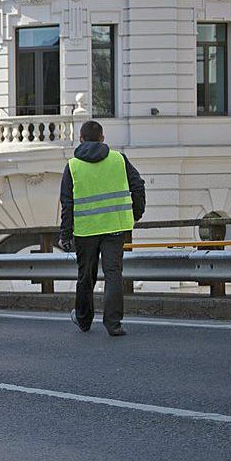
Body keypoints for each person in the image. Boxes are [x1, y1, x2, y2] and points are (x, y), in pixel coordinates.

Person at [58, 120, 145, 336]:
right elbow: (138, 184)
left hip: (86, 230)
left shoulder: (73, 166)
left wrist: (65, 235)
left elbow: (67, 203)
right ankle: (113, 324)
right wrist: (135, 213)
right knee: (113, 274)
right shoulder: (118, 159)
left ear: (81, 138)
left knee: (86, 276)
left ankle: (84, 320)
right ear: (102, 139)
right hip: (115, 227)